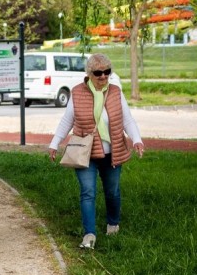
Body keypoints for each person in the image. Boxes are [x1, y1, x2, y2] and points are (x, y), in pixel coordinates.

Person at [48, 53, 145, 249]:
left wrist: (137, 140)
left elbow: (127, 119)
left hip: (113, 152)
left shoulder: (116, 92)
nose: (103, 76)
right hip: (86, 153)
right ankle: (89, 234)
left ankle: (113, 223)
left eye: (107, 72)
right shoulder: (77, 92)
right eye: (98, 72)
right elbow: (67, 121)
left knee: (112, 192)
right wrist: (54, 143)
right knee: (87, 192)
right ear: (89, 73)